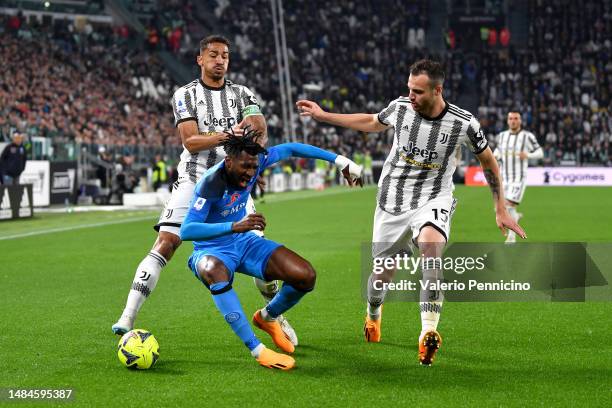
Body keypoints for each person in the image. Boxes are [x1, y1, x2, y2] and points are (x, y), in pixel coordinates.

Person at [296, 59, 525, 366]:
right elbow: (370, 121)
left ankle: (428, 332)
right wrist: (324, 115)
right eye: (409, 89)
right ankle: (373, 313)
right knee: (381, 275)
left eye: (418, 91)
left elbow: (488, 161)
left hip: (434, 197)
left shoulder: (463, 123)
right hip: (392, 201)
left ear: (437, 90)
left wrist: (499, 206)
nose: (411, 96)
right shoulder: (401, 108)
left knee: (431, 250)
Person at [112, 35, 297, 345]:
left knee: (257, 252)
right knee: (167, 242)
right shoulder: (185, 95)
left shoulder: (242, 93)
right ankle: (127, 317)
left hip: (234, 187)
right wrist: (228, 135)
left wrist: (254, 160)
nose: (220, 60)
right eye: (213, 55)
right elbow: (191, 141)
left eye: (225, 55)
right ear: (200, 59)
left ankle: (274, 315)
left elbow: (258, 127)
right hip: (193, 181)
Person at [179, 130, 362, 370]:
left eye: (254, 167)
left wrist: (340, 161)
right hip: (212, 250)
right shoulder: (212, 184)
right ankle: (258, 350)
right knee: (213, 270)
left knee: (306, 276)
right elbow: (187, 230)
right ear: (229, 161)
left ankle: (267, 317)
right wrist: (234, 226)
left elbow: (292, 148)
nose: (250, 172)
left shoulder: (256, 162)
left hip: (245, 242)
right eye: (245, 166)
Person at [494, 111, 543, 243]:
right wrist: (495, 156)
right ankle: (516, 217)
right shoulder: (502, 136)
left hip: (518, 179)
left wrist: (528, 155)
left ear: (520, 121)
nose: (513, 121)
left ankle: (512, 237)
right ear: (507, 121)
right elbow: (497, 151)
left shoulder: (527, 136)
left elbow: (540, 152)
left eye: (516, 118)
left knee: (508, 205)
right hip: (504, 178)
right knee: (499, 208)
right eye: (511, 118)